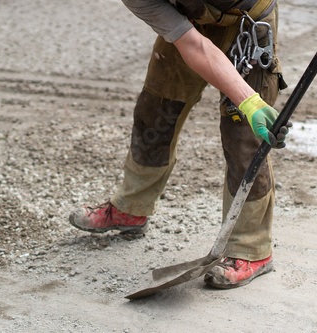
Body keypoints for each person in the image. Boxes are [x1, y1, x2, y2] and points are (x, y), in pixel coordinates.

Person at [69, 0, 291, 289]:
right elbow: (195, 46)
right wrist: (248, 101)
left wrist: (249, 104)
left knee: (245, 138)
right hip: (190, 24)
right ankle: (131, 207)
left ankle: (251, 249)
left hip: (248, 23)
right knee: (156, 109)